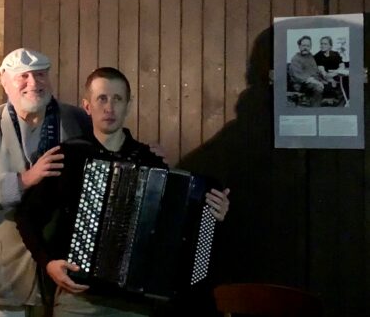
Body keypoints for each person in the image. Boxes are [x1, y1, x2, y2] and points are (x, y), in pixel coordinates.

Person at [15, 67, 231, 316]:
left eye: (118, 99)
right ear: (88, 106)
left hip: (135, 303)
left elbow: (180, 228)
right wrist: (49, 262)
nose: (109, 107)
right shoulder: (68, 156)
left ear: (128, 105)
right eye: (102, 99)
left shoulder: (149, 160)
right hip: (79, 300)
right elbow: (26, 216)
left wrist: (211, 214)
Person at [0, 48, 92, 317]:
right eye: (23, 76)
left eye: (40, 74)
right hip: (3, 281)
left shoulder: (77, 120)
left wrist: (146, 152)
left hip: (63, 283)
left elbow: (112, 146)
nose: (33, 83)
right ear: (4, 81)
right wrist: (23, 180)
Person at [288, 35, 327, 107]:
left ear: (310, 47)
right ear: (299, 46)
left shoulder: (310, 56)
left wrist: (322, 75)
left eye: (308, 46)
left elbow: (315, 71)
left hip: (313, 81)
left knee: (334, 85)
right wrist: (317, 82)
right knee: (318, 88)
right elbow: (299, 76)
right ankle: (315, 110)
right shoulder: (296, 58)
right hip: (301, 84)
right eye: (303, 45)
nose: (305, 48)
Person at [314, 36, 349, 105]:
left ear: (330, 46)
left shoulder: (335, 54)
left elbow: (342, 66)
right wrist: (332, 78)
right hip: (326, 78)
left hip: (336, 75)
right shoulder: (317, 56)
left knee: (347, 78)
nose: (322, 46)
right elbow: (323, 73)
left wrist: (335, 72)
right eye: (321, 44)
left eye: (325, 44)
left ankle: (348, 101)